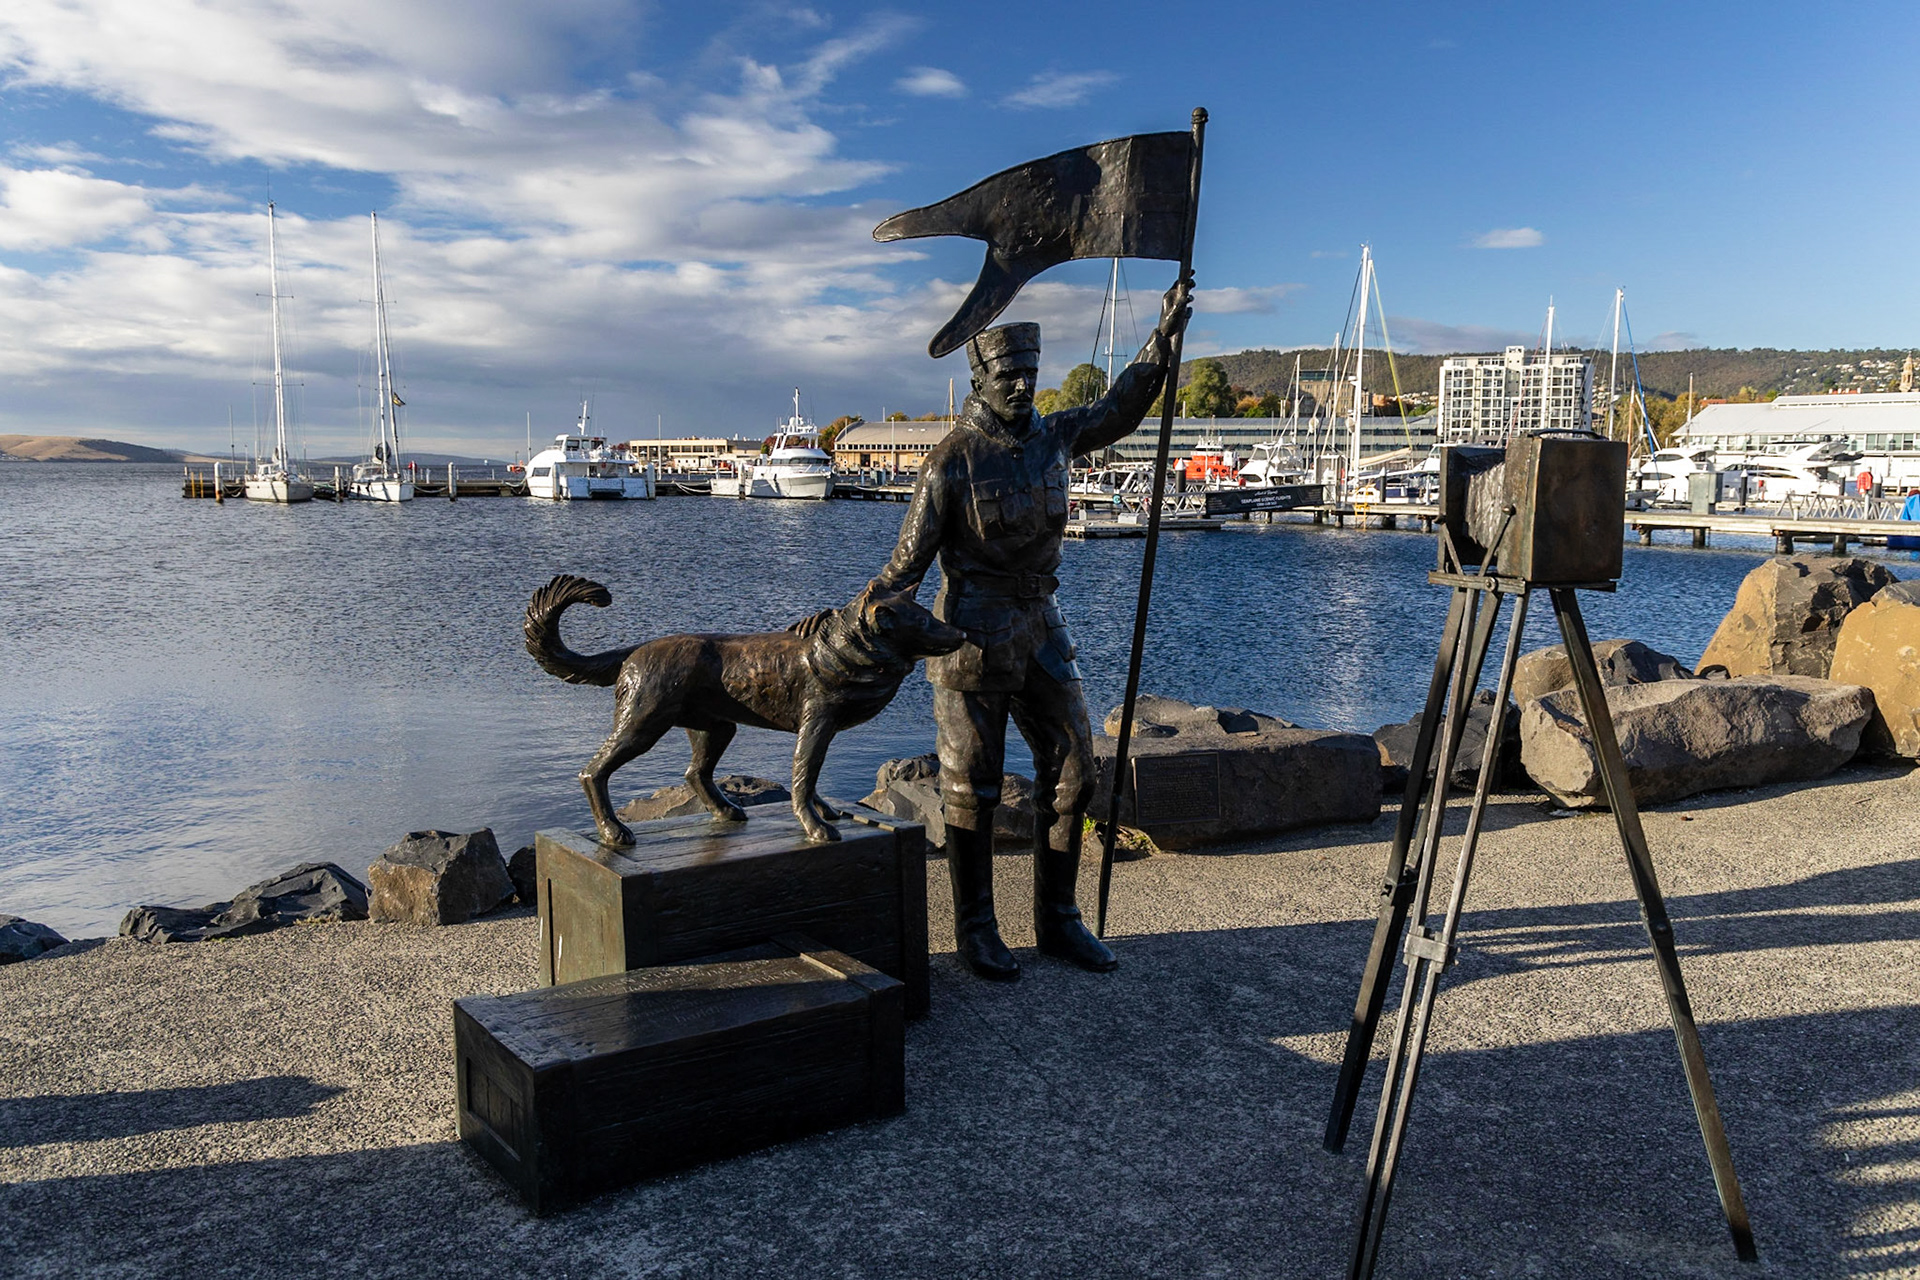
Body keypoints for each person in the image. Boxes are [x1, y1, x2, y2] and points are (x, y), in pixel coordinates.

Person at [872, 277, 1193, 980]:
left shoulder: (1055, 436)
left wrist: (1163, 339)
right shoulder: (950, 462)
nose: (1023, 386)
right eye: (1008, 375)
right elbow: (903, 572)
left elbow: (1119, 407)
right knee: (972, 787)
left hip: (1041, 620)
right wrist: (878, 633)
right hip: (973, 632)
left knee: (1077, 767)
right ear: (979, 378)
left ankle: (1060, 921)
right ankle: (977, 931)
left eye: (1031, 374)